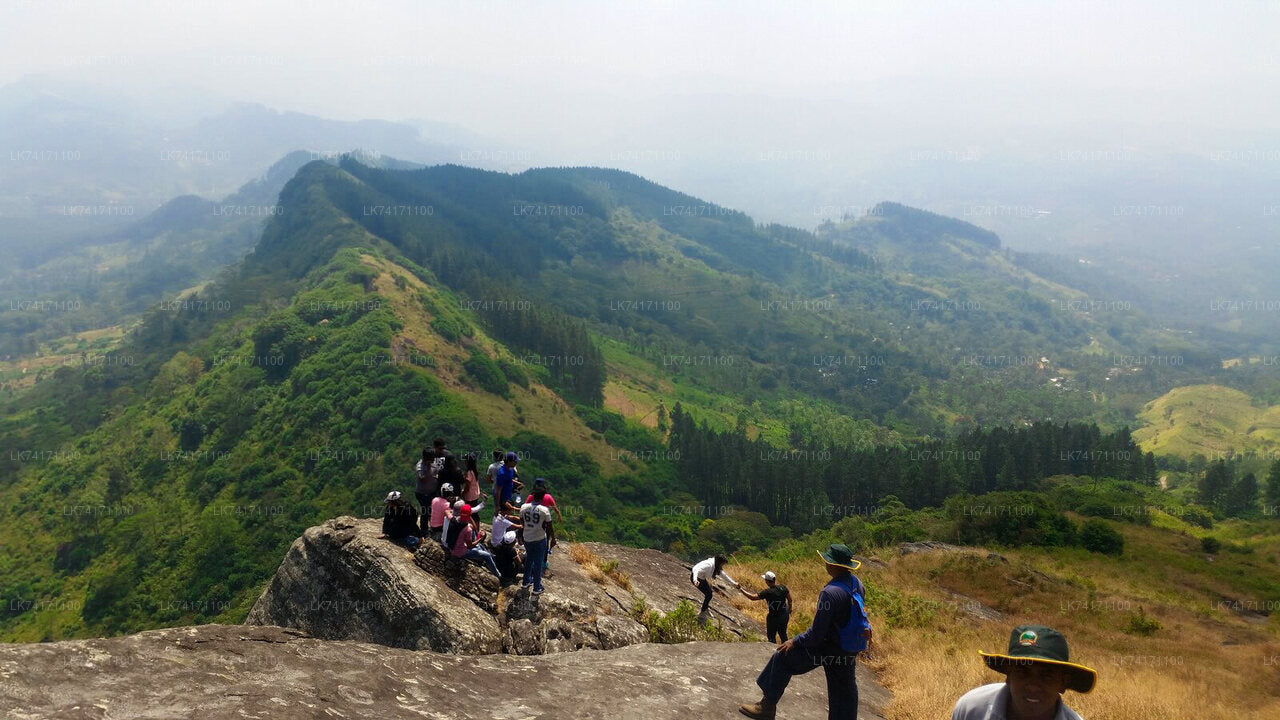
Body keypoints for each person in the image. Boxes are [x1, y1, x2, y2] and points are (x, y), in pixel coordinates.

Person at [740, 544, 870, 720]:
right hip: (848, 647)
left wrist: (794, 641)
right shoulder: (857, 583)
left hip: (828, 646)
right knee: (845, 689)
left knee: (782, 657)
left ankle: (766, 707)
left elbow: (816, 634)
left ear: (831, 564)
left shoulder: (830, 593)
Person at [951, 625, 1096, 720]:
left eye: (1046, 676)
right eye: (1023, 672)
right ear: (1008, 675)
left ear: (1063, 683)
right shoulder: (972, 709)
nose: (1033, 686)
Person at [740, 571, 792, 644]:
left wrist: (741, 590)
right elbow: (790, 600)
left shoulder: (767, 592)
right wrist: (789, 609)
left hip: (773, 617)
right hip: (784, 615)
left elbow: (752, 597)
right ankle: (787, 652)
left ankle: (772, 652)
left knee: (771, 637)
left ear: (767, 581)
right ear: (774, 579)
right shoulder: (783, 588)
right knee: (783, 634)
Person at [449, 504, 500, 578]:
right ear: (470, 514)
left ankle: (486, 556)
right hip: (460, 552)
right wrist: (480, 539)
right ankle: (498, 575)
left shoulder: (454, 519)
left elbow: (447, 512)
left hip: (452, 547)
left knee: (479, 546)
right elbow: (470, 545)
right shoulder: (467, 529)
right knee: (487, 556)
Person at [519, 494, 552, 594]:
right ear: (542, 498)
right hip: (539, 538)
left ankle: (525, 581)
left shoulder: (524, 507)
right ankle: (537, 587)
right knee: (538, 563)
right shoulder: (544, 510)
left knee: (529, 559)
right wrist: (551, 539)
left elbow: (522, 522)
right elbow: (549, 526)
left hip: (527, 538)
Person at [526, 479, 560, 569]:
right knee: (545, 542)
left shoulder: (531, 496)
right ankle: (543, 562)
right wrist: (559, 516)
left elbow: (525, 507)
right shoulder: (548, 496)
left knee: (532, 540)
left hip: (533, 522)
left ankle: (531, 560)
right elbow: (555, 508)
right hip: (545, 522)